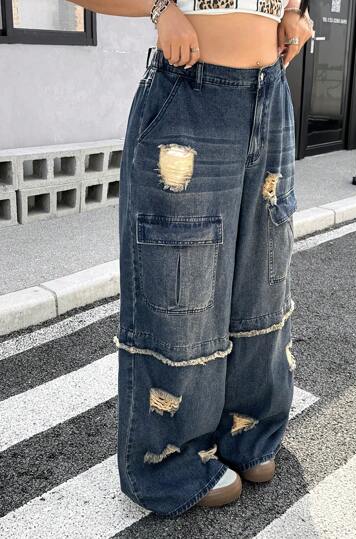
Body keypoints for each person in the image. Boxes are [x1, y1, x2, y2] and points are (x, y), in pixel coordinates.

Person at [70, 0, 314, 518]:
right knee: (181, 290)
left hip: (270, 96)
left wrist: (294, 11)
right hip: (190, 96)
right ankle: (169, 462)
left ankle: (247, 432)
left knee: (262, 278)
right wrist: (160, 9)